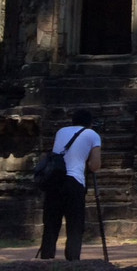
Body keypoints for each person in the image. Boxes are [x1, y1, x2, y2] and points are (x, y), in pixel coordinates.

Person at [38, 109, 102, 260]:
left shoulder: (61, 132)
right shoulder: (92, 135)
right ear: (90, 123)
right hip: (74, 181)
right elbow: (95, 165)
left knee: (51, 224)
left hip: (54, 181)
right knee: (74, 225)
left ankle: (46, 260)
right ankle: (73, 262)